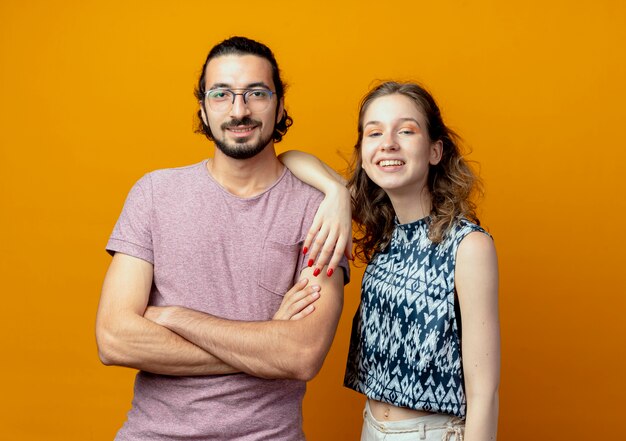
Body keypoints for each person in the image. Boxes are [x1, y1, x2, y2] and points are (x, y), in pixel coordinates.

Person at [95, 36, 348, 441]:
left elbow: (301, 354)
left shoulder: (317, 210)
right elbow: (114, 339)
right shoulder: (154, 194)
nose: (239, 110)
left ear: (281, 105)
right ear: (203, 108)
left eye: (256, 93)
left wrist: (175, 317)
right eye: (222, 94)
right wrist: (265, 341)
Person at [280, 81, 500, 440]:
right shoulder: (383, 228)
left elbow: (484, 393)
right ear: (364, 153)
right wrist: (337, 190)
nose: (388, 143)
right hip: (372, 428)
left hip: (434, 433)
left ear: (434, 150)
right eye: (374, 132)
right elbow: (288, 158)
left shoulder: (468, 246)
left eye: (407, 130)